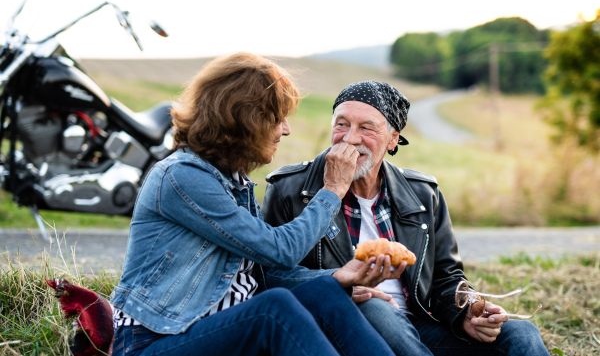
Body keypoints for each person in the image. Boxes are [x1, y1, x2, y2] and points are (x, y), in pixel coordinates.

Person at [109, 55, 399, 356]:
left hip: (211, 332)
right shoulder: (182, 177)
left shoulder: (234, 182)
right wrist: (333, 190)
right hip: (152, 343)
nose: (286, 130)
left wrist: (337, 276)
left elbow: (260, 273)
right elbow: (280, 250)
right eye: (278, 119)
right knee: (272, 310)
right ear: (247, 120)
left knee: (327, 293)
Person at [261, 80, 550, 356]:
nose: (350, 138)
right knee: (375, 307)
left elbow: (447, 278)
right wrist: (341, 286)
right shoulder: (289, 189)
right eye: (342, 124)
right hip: (345, 331)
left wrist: (466, 309)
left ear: (392, 139)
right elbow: (268, 276)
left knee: (521, 334)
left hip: (418, 329)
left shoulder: (424, 194)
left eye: (367, 128)